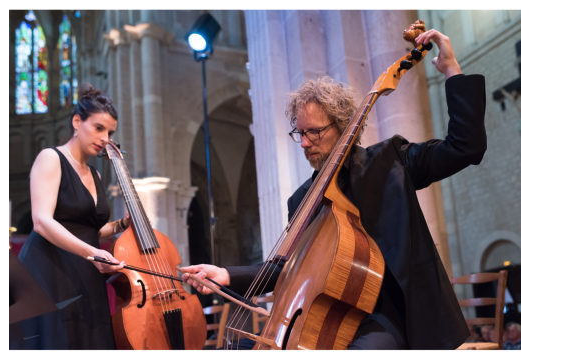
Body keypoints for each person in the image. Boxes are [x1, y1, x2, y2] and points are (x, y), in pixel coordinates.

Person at [182, 29, 486, 350]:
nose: (304, 142)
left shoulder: (390, 161)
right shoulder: (301, 199)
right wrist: (226, 274)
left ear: (343, 126)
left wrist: (452, 69)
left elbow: (465, 147)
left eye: (314, 131)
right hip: (330, 318)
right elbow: (286, 269)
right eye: (298, 133)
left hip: (394, 315)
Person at [10, 86, 130, 350]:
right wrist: (91, 253)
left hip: (85, 272)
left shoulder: (96, 175)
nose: (105, 138)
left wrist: (122, 224)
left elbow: (89, 231)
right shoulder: (51, 158)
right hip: (49, 270)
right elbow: (42, 221)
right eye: (98, 128)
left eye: (110, 132)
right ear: (77, 122)